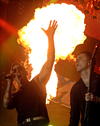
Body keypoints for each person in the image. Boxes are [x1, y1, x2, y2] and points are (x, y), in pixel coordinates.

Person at [3, 20, 58, 126]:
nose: (17, 72)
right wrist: (9, 83)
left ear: (26, 73)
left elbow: (49, 62)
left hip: (39, 123)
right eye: (14, 71)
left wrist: (50, 37)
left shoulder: (37, 83)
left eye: (19, 69)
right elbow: (6, 104)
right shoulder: (15, 95)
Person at [69, 51, 100, 126]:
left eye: (80, 58)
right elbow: (74, 116)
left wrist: (96, 99)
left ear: (90, 62)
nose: (77, 60)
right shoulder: (75, 89)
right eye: (76, 59)